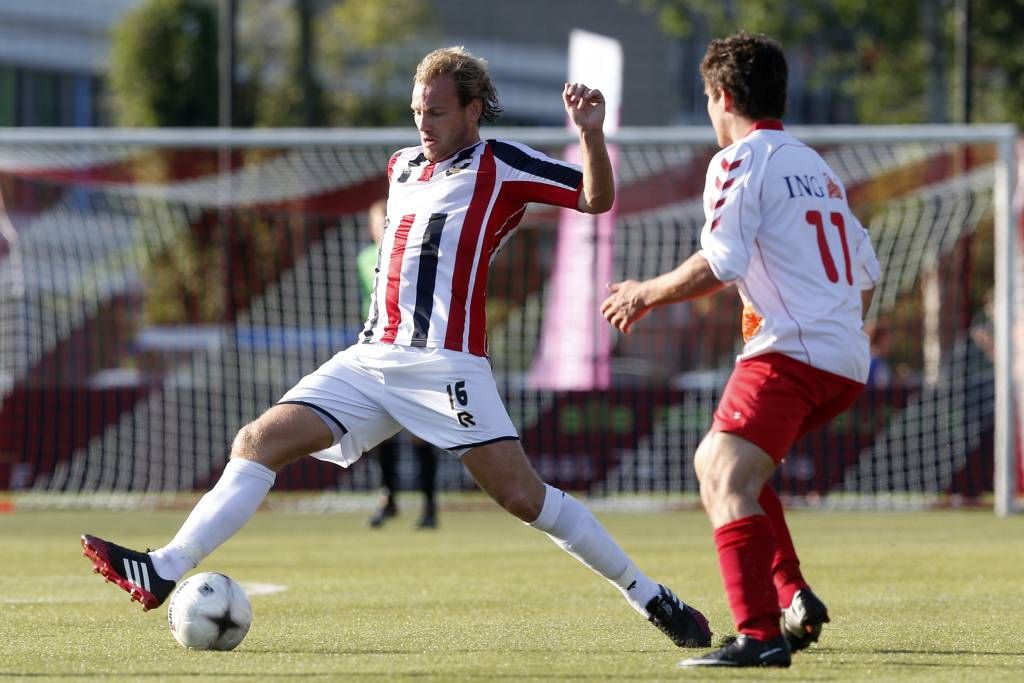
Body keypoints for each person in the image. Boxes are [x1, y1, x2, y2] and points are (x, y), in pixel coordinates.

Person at [80, 46, 712, 650]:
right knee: (257, 441)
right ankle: (164, 568)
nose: (424, 123)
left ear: (472, 110)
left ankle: (648, 594)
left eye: (437, 111)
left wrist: (591, 134)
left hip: (444, 364)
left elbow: (596, 198)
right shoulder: (402, 165)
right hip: (370, 357)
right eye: (417, 111)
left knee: (526, 500)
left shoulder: (503, 165)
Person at [601, 32, 879, 668]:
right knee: (730, 468)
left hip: (791, 354)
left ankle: (758, 637)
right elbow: (867, 268)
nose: (708, 111)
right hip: (845, 360)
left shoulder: (739, 160)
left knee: (722, 474)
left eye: (706, 98)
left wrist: (645, 292)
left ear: (723, 96)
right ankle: (793, 596)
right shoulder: (817, 166)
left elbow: (721, 261)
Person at [359, 199, 439, 529]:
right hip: (381, 350)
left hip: (418, 349)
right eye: (379, 222)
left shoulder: (416, 253)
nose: (383, 228)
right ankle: (388, 497)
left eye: (387, 221)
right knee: (379, 431)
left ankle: (430, 505)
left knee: (421, 433)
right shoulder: (367, 258)